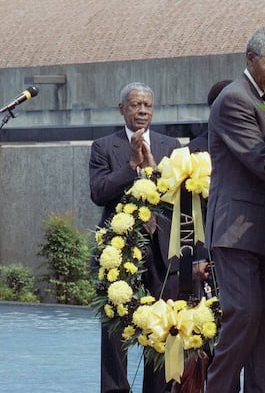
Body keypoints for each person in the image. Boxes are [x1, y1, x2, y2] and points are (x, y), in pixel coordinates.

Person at [204, 27, 265, 393]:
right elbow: (262, 161)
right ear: (251, 59)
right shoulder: (234, 99)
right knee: (244, 316)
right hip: (236, 231)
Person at [89, 82, 182, 393]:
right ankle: (115, 388)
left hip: (162, 248)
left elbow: (182, 198)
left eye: (147, 106)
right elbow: (99, 193)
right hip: (119, 249)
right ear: (122, 109)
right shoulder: (104, 147)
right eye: (135, 105)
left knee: (162, 323)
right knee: (116, 327)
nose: (142, 111)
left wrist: (155, 169)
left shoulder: (172, 145)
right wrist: (131, 164)